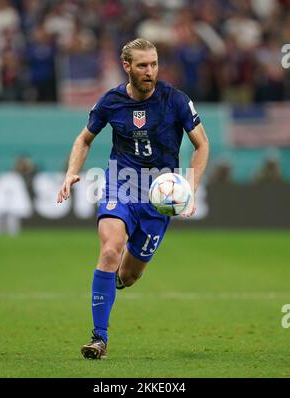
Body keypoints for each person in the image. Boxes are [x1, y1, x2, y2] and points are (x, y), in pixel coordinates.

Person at [57, 38, 209, 359]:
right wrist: (72, 171)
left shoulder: (176, 100)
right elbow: (84, 139)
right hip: (121, 185)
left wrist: (191, 186)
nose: (149, 71)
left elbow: (202, 145)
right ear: (127, 66)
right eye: (142, 65)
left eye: (153, 64)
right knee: (110, 249)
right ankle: (99, 338)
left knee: (128, 275)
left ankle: (114, 282)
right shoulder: (111, 101)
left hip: (160, 197)